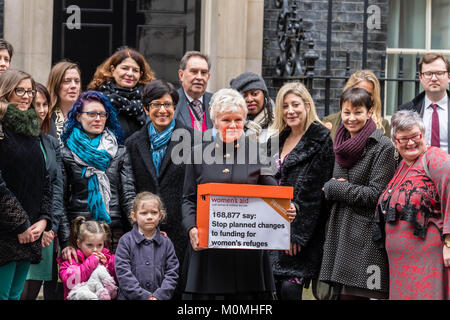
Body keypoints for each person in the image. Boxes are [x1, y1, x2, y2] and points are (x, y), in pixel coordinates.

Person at [181, 88, 296, 299]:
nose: (233, 125)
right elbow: (188, 199)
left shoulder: (258, 152)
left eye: (238, 120)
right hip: (209, 255)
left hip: (248, 257)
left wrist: (288, 207)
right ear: (215, 121)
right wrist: (191, 228)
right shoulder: (197, 153)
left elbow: (274, 191)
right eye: (226, 120)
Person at [319, 87, 396, 300]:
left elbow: (376, 195)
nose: (351, 118)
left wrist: (336, 188)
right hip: (338, 232)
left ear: (369, 112)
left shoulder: (383, 147)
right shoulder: (339, 143)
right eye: (346, 112)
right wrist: (330, 189)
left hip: (364, 240)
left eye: (358, 112)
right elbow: (328, 187)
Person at [125, 79, 193, 297]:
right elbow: (130, 185)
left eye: (168, 104)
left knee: (177, 287)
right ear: (146, 108)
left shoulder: (193, 141)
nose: (162, 110)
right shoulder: (133, 143)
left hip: (181, 229)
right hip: (144, 231)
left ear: (175, 107)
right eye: (156, 105)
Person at [373, 110, 450, 300]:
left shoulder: (435, 159)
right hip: (398, 266)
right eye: (403, 138)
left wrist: (449, 242)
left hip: (426, 261)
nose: (410, 142)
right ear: (394, 141)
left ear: (423, 134)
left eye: (415, 136)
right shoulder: (400, 166)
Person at [269, 82, 334, 300]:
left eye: (295, 104)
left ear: (307, 105)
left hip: (298, 235)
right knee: (271, 290)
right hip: (268, 228)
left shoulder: (321, 139)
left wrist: (296, 233)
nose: (290, 111)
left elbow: (315, 192)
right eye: (285, 106)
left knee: (290, 290)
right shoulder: (276, 140)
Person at [59, 91, 136, 263]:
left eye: (102, 114)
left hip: (112, 230)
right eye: (92, 114)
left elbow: (128, 195)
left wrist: (140, 230)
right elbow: (60, 199)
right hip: (78, 231)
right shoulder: (66, 153)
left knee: (110, 287)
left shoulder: (119, 151)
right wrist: (66, 241)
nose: (98, 119)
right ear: (78, 116)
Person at [0, 70, 52, 300]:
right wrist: (21, 224)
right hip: (6, 232)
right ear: (5, 92)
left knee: (15, 296)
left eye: (29, 91)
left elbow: (45, 179)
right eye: (19, 90)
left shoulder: (33, 130)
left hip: (31, 230)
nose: (26, 96)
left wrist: (43, 220)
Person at [20, 83, 68, 300]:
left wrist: (50, 225)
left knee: (31, 294)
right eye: (36, 104)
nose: (41, 110)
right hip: (19, 229)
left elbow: (57, 186)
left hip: (45, 230)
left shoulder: (50, 142)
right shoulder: (14, 140)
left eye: (45, 104)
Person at [115, 192, 179, 300]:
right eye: (144, 213)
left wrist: (159, 296)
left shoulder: (166, 243)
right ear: (133, 216)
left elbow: (172, 273)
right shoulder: (125, 241)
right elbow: (123, 273)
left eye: (154, 212)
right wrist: (143, 297)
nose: (149, 217)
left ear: (160, 215)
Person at [88, 47, 155, 139]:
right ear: (112, 70)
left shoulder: (150, 101)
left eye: (135, 70)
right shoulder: (97, 100)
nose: (130, 74)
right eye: (125, 68)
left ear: (140, 74)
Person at [399, 53, 449, 153]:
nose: (434, 78)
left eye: (439, 73)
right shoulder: (406, 111)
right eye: (428, 74)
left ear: (448, 77)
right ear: (421, 78)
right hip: (418, 168)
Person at [58, 216, 117, 300]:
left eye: (99, 245)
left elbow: (116, 283)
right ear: (79, 243)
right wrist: (92, 262)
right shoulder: (70, 261)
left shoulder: (109, 259)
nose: (95, 249)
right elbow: (70, 283)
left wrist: (107, 265)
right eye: (90, 245)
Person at [322, 70, 390, 140]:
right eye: (358, 92)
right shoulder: (329, 121)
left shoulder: (383, 125)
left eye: (368, 94)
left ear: (373, 97)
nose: (362, 97)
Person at [174, 51, 213, 132]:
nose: (199, 77)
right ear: (181, 75)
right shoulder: (171, 102)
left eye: (203, 73)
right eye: (194, 72)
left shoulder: (216, 102)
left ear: (208, 76)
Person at [229, 72, 274, 138]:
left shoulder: (277, 122)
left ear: (264, 95)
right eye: (244, 96)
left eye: (255, 94)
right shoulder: (228, 124)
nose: (249, 99)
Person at [47, 61, 82, 145]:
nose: (73, 86)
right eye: (67, 81)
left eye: (77, 81)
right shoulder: (44, 115)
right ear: (56, 85)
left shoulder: (88, 114)